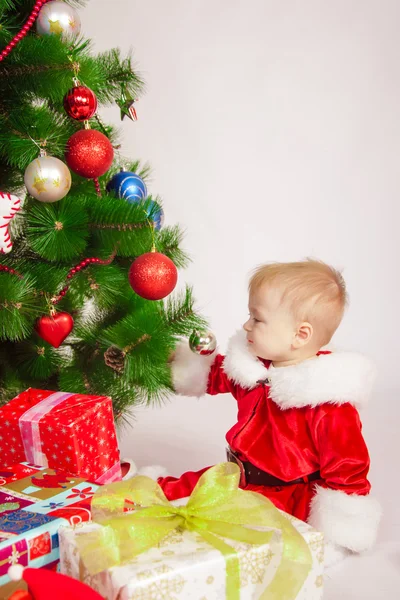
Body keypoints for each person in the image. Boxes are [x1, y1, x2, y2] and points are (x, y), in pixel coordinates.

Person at [150, 259, 381, 565]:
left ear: (300, 335)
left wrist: (339, 529)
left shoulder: (326, 403)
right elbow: (218, 374)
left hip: (282, 496)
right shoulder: (256, 369)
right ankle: (122, 499)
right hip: (237, 477)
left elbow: (347, 469)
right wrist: (176, 360)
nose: (246, 325)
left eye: (257, 319)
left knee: (207, 528)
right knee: (173, 491)